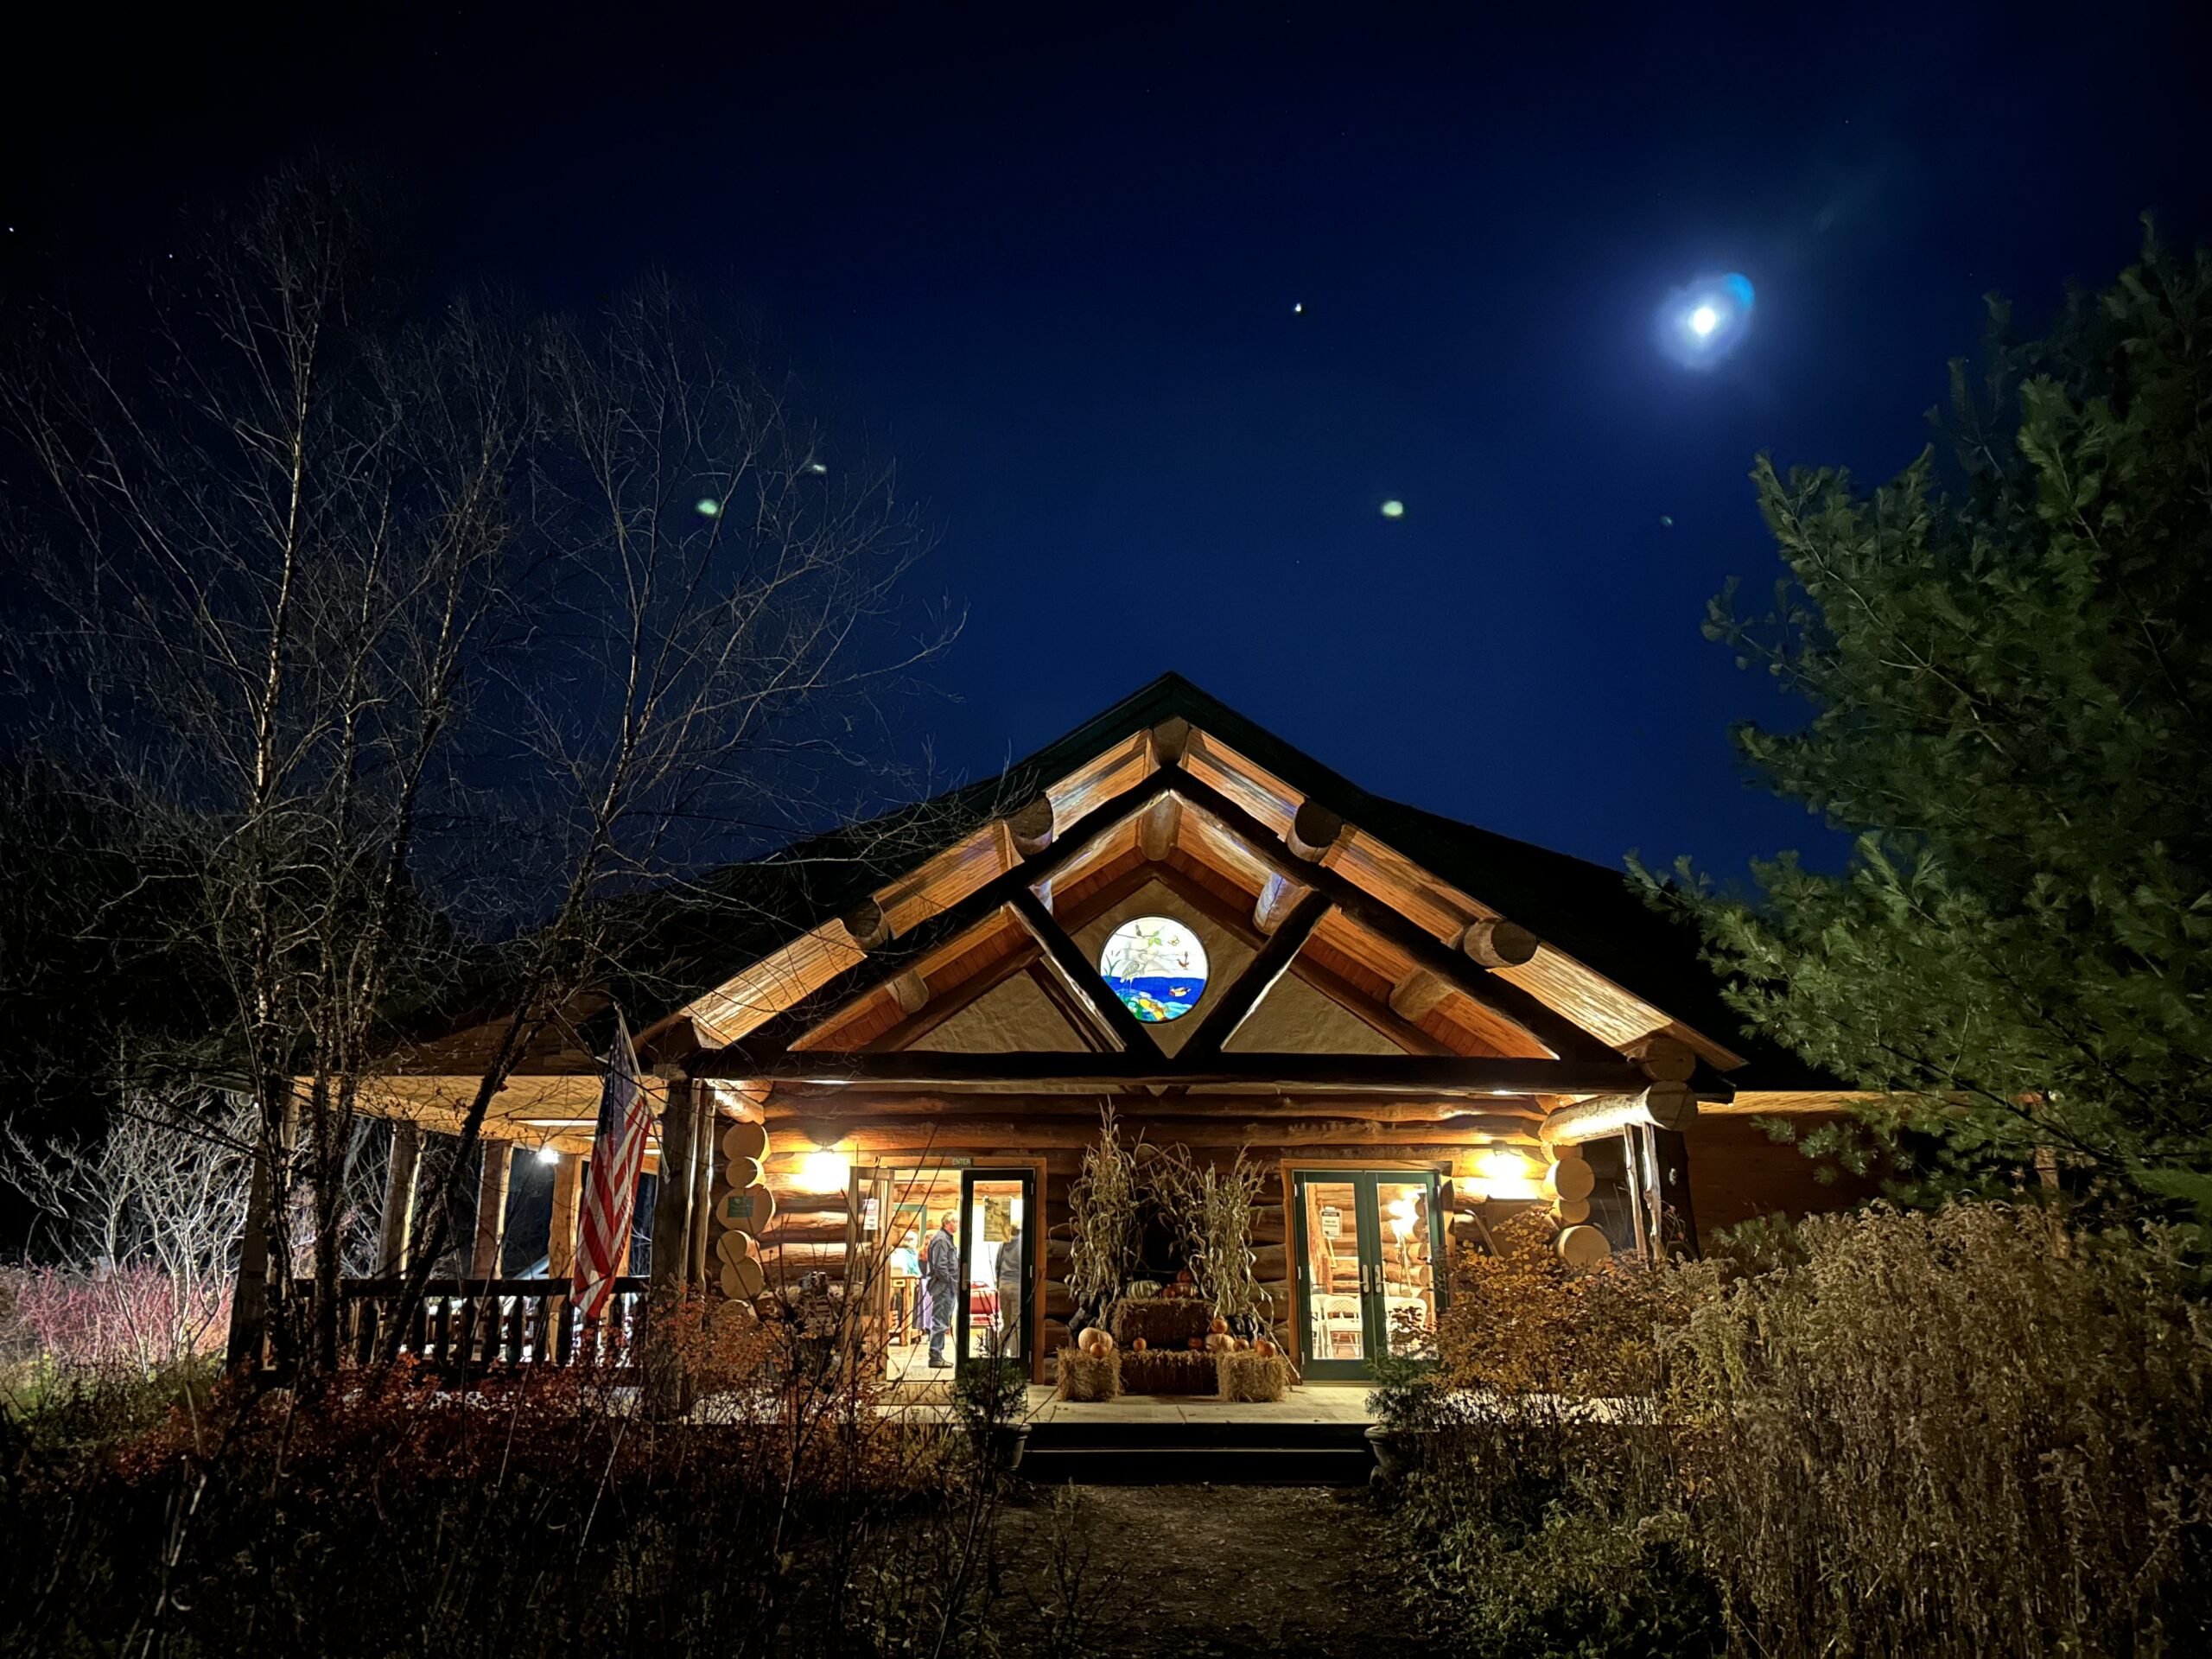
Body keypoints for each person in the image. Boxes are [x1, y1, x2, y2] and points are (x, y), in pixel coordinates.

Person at [923, 1211, 959, 1368]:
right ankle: (935, 1356)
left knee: (943, 1320)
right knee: (940, 1322)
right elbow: (940, 1266)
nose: (957, 1225)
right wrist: (951, 1283)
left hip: (946, 1285)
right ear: (946, 1223)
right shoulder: (941, 1240)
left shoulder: (946, 1239)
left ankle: (937, 1354)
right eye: (954, 1222)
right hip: (943, 1286)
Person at [993, 1218, 1024, 1359]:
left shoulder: (1003, 1244)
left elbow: (997, 1265)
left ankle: (999, 1353)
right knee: (1016, 1323)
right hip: (1017, 1285)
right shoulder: (1023, 1243)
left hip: (1003, 1285)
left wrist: (999, 1283)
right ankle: (1015, 1355)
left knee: (1005, 1322)